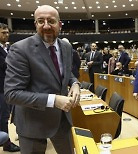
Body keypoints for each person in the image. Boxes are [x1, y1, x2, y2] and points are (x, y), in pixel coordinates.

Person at [4, 5, 80, 154]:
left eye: (51, 21)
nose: (46, 26)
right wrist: (54, 100)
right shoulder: (20, 49)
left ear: (60, 24)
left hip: (61, 121)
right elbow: (11, 94)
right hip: (32, 123)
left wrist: (75, 83)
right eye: (40, 21)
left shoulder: (65, 46)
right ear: (35, 24)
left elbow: (67, 73)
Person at [0, 23, 20, 152]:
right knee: (3, 116)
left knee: (4, 116)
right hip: (0, 88)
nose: (6, 35)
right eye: (3, 33)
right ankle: (6, 143)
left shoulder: (5, 48)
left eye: (7, 32)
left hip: (6, 87)